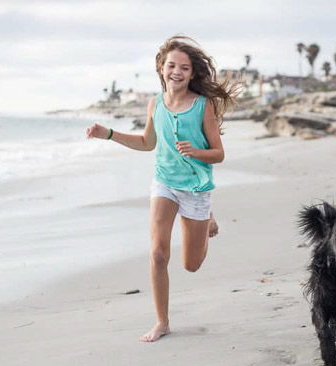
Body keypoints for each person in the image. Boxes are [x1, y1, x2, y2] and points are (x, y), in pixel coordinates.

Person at [86, 36, 239, 342]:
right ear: (162, 68)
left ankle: (207, 216)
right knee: (158, 253)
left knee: (191, 265)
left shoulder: (203, 106)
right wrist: (108, 134)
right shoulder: (155, 103)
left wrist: (196, 151)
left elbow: (219, 154)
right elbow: (147, 143)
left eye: (184, 67)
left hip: (195, 188)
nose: (177, 71)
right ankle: (162, 322)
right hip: (164, 183)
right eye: (171, 65)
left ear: (192, 73)